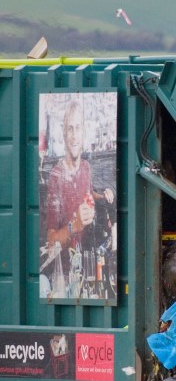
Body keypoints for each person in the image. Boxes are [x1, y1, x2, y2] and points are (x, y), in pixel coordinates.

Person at [40, 101, 114, 297]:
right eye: (69, 129)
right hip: (63, 280)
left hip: (86, 269)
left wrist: (104, 195)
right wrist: (75, 225)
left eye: (77, 128)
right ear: (64, 134)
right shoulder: (55, 176)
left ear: (83, 134)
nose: (74, 135)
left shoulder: (86, 168)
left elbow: (87, 194)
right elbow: (50, 244)